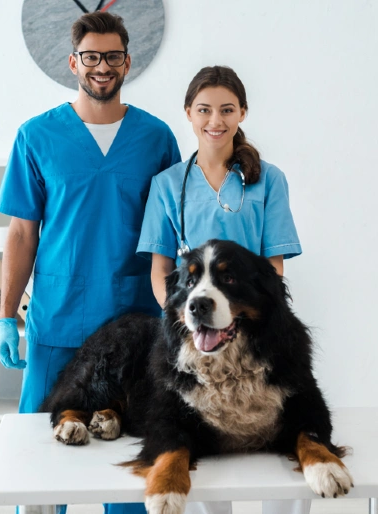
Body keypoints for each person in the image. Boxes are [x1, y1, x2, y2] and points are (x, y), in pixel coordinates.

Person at [0, 11, 181, 514]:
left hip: (134, 325)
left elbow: (170, 234)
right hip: (59, 322)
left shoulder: (156, 138)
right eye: (91, 56)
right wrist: (6, 316)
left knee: (126, 468)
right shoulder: (37, 136)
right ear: (73, 62)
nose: (102, 66)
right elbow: (20, 232)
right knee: (38, 467)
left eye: (112, 56)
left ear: (127, 62)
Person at [137, 65, 310, 514]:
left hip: (247, 327)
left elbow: (272, 268)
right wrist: (182, 323)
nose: (216, 120)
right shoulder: (167, 185)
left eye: (227, 110)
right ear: (189, 115)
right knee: (205, 454)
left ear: (242, 113)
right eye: (205, 109)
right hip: (193, 324)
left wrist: (252, 318)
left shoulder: (267, 179)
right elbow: (161, 272)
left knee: (277, 435)